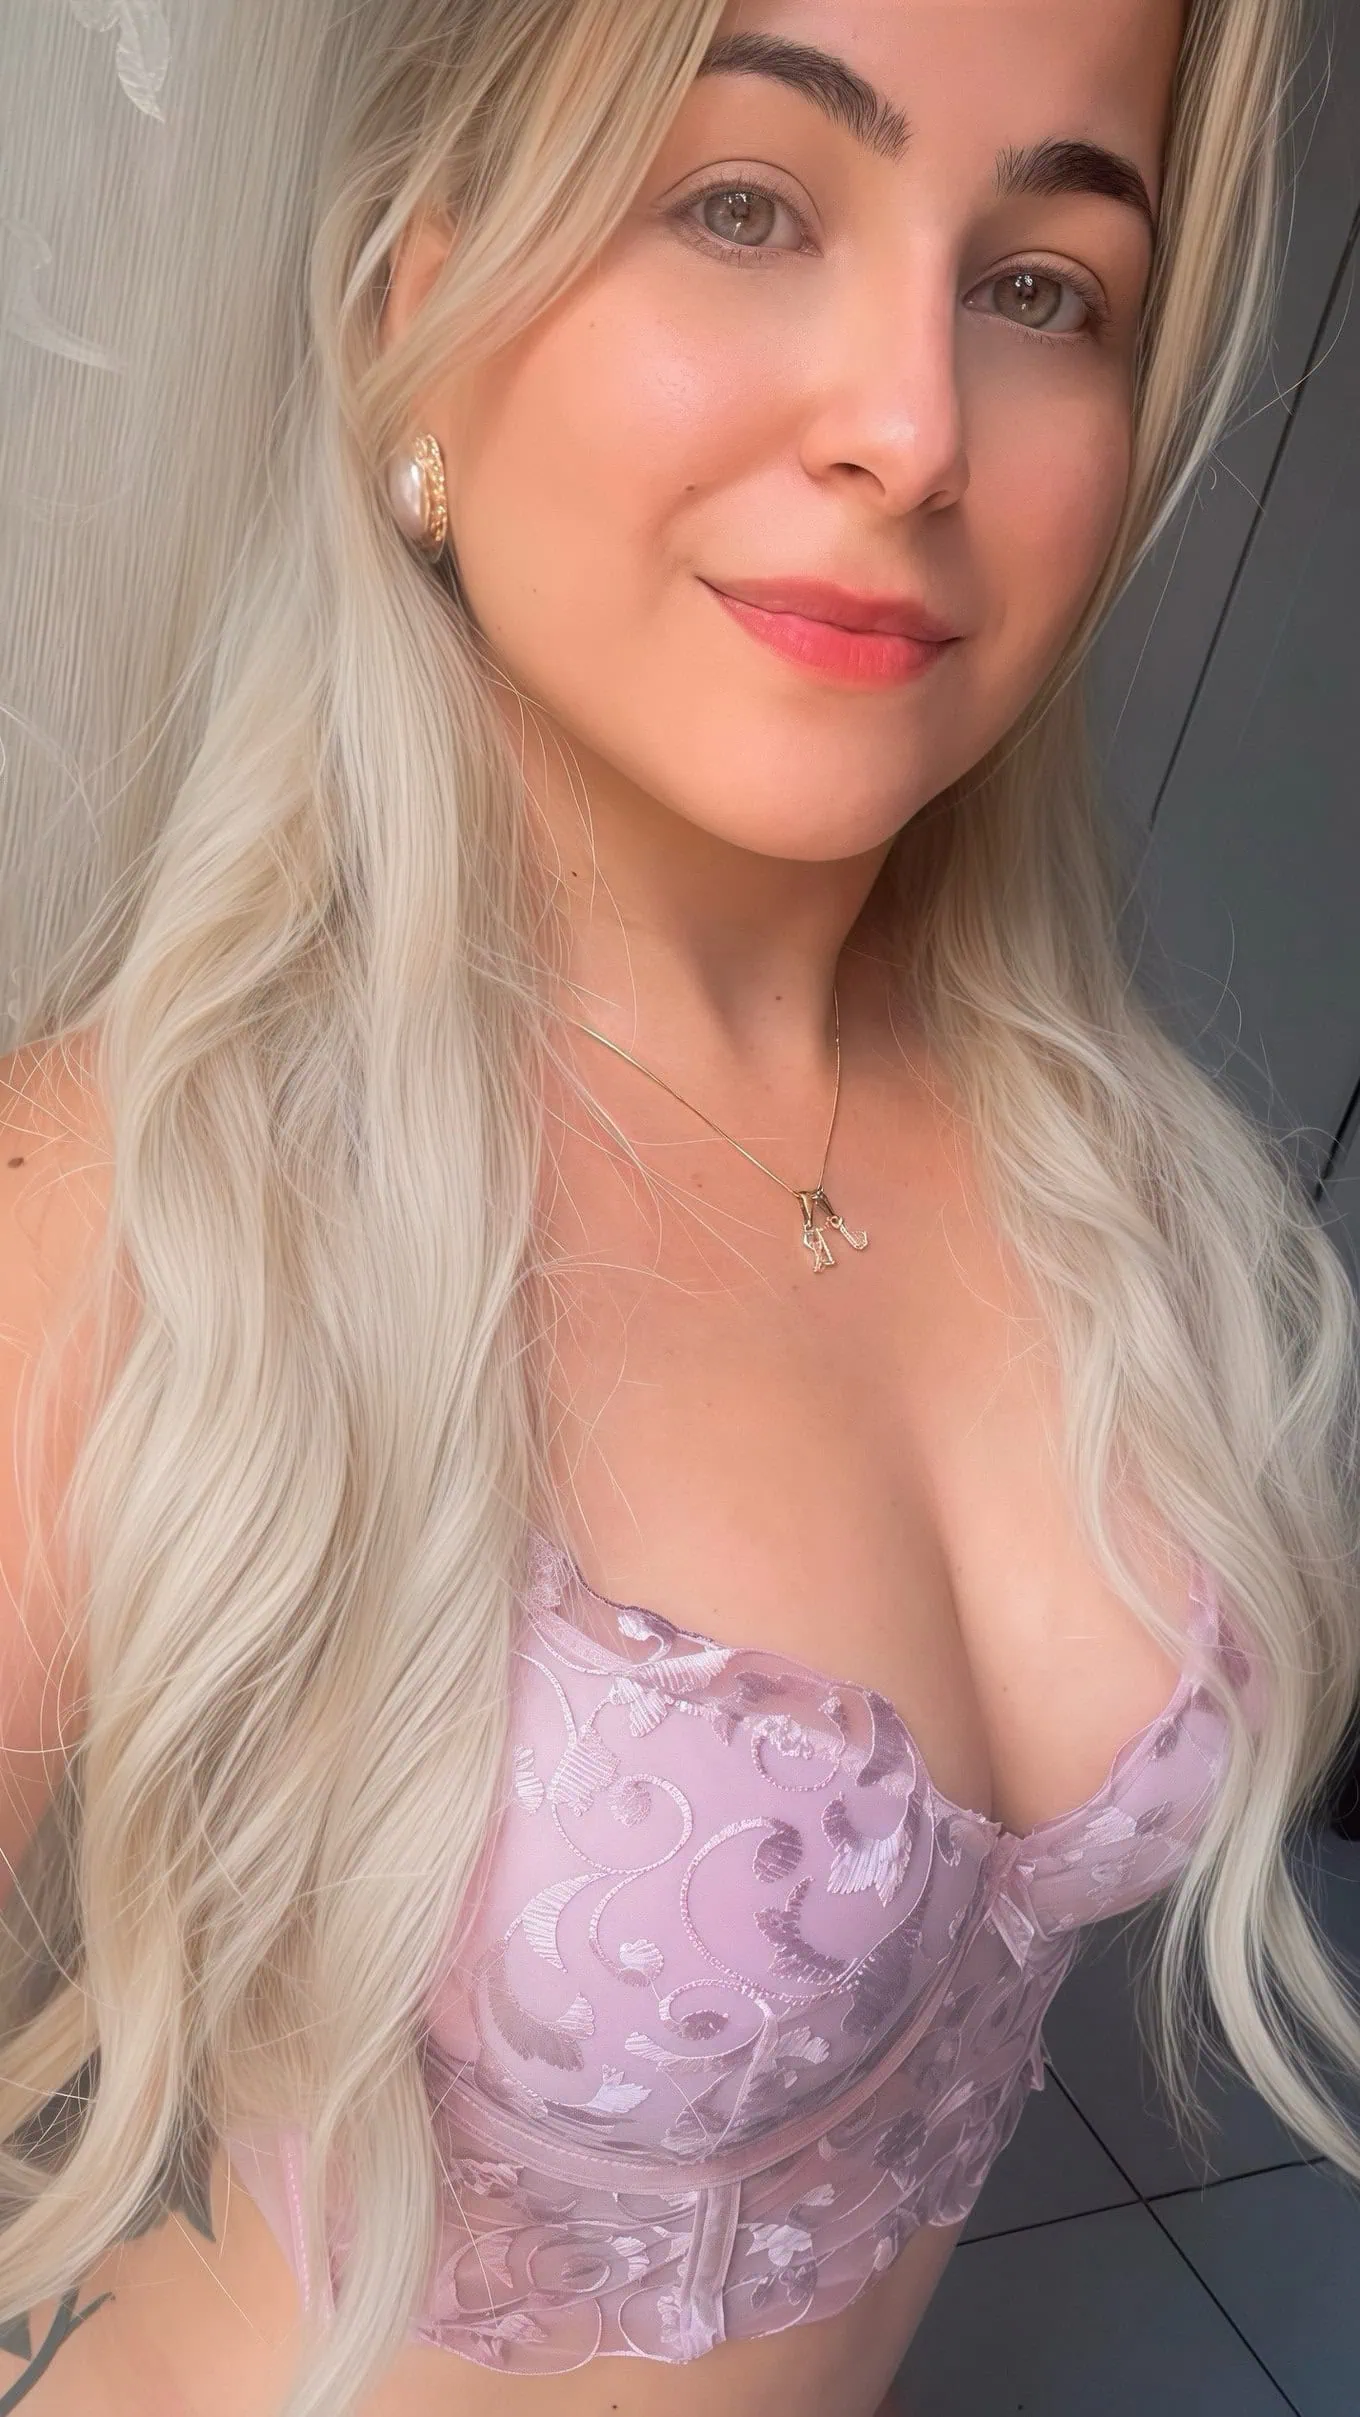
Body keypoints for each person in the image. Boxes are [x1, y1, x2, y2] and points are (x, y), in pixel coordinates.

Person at [0, 1, 1357, 2412]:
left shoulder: (1094, 1147)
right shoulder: (136, 1201)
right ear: (423, 294)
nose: (912, 427)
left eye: (1037, 284)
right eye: (741, 203)